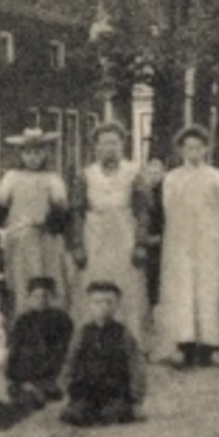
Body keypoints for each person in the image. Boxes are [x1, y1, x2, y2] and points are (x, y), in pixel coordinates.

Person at [159, 125, 219, 368]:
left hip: (209, 238)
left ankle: (209, 343)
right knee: (183, 287)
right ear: (181, 150)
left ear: (206, 148)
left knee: (208, 287)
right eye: (189, 147)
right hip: (181, 238)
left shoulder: (217, 177)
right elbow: (169, 209)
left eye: (198, 147)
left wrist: (215, 233)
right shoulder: (172, 178)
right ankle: (184, 343)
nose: (194, 152)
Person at [74, 122, 149, 338]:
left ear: (122, 145)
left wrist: (140, 243)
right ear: (96, 147)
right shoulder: (86, 175)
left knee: (128, 284)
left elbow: (143, 210)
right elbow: (77, 211)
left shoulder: (134, 172)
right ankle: (92, 336)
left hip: (125, 231)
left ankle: (130, 338)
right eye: (104, 143)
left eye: (114, 142)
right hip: (94, 234)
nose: (110, 148)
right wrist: (78, 245)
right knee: (94, 281)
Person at [0, 127, 71, 318]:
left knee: (49, 279)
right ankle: (22, 321)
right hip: (19, 240)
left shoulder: (53, 179)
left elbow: (61, 213)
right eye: (28, 153)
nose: (33, 158)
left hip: (46, 240)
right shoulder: (11, 178)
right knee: (20, 282)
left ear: (45, 153)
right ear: (21, 154)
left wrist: (44, 221)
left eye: (37, 152)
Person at [60, 281, 146, 427]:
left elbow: (135, 366)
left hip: (114, 390)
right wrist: (66, 389)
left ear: (117, 305)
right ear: (89, 305)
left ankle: (115, 409)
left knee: (114, 414)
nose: (103, 307)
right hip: (87, 389)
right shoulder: (82, 333)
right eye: (97, 302)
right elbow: (70, 362)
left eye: (109, 302)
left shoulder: (124, 333)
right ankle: (84, 409)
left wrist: (137, 399)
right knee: (75, 415)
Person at [5, 276, 74, 405]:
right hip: (27, 369)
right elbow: (15, 350)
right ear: (29, 298)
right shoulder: (22, 320)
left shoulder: (62, 319)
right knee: (20, 395)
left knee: (47, 393)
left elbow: (63, 350)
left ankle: (41, 390)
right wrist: (17, 377)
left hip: (51, 369)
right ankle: (29, 390)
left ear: (53, 297)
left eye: (45, 296)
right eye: (36, 296)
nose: (41, 300)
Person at [138, 158, 168, 310]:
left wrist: (160, 238)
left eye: (157, 172)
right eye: (150, 172)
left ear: (164, 174)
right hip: (140, 240)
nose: (153, 176)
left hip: (160, 242)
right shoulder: (140, 192)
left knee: (157, 276)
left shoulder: (165, 194)